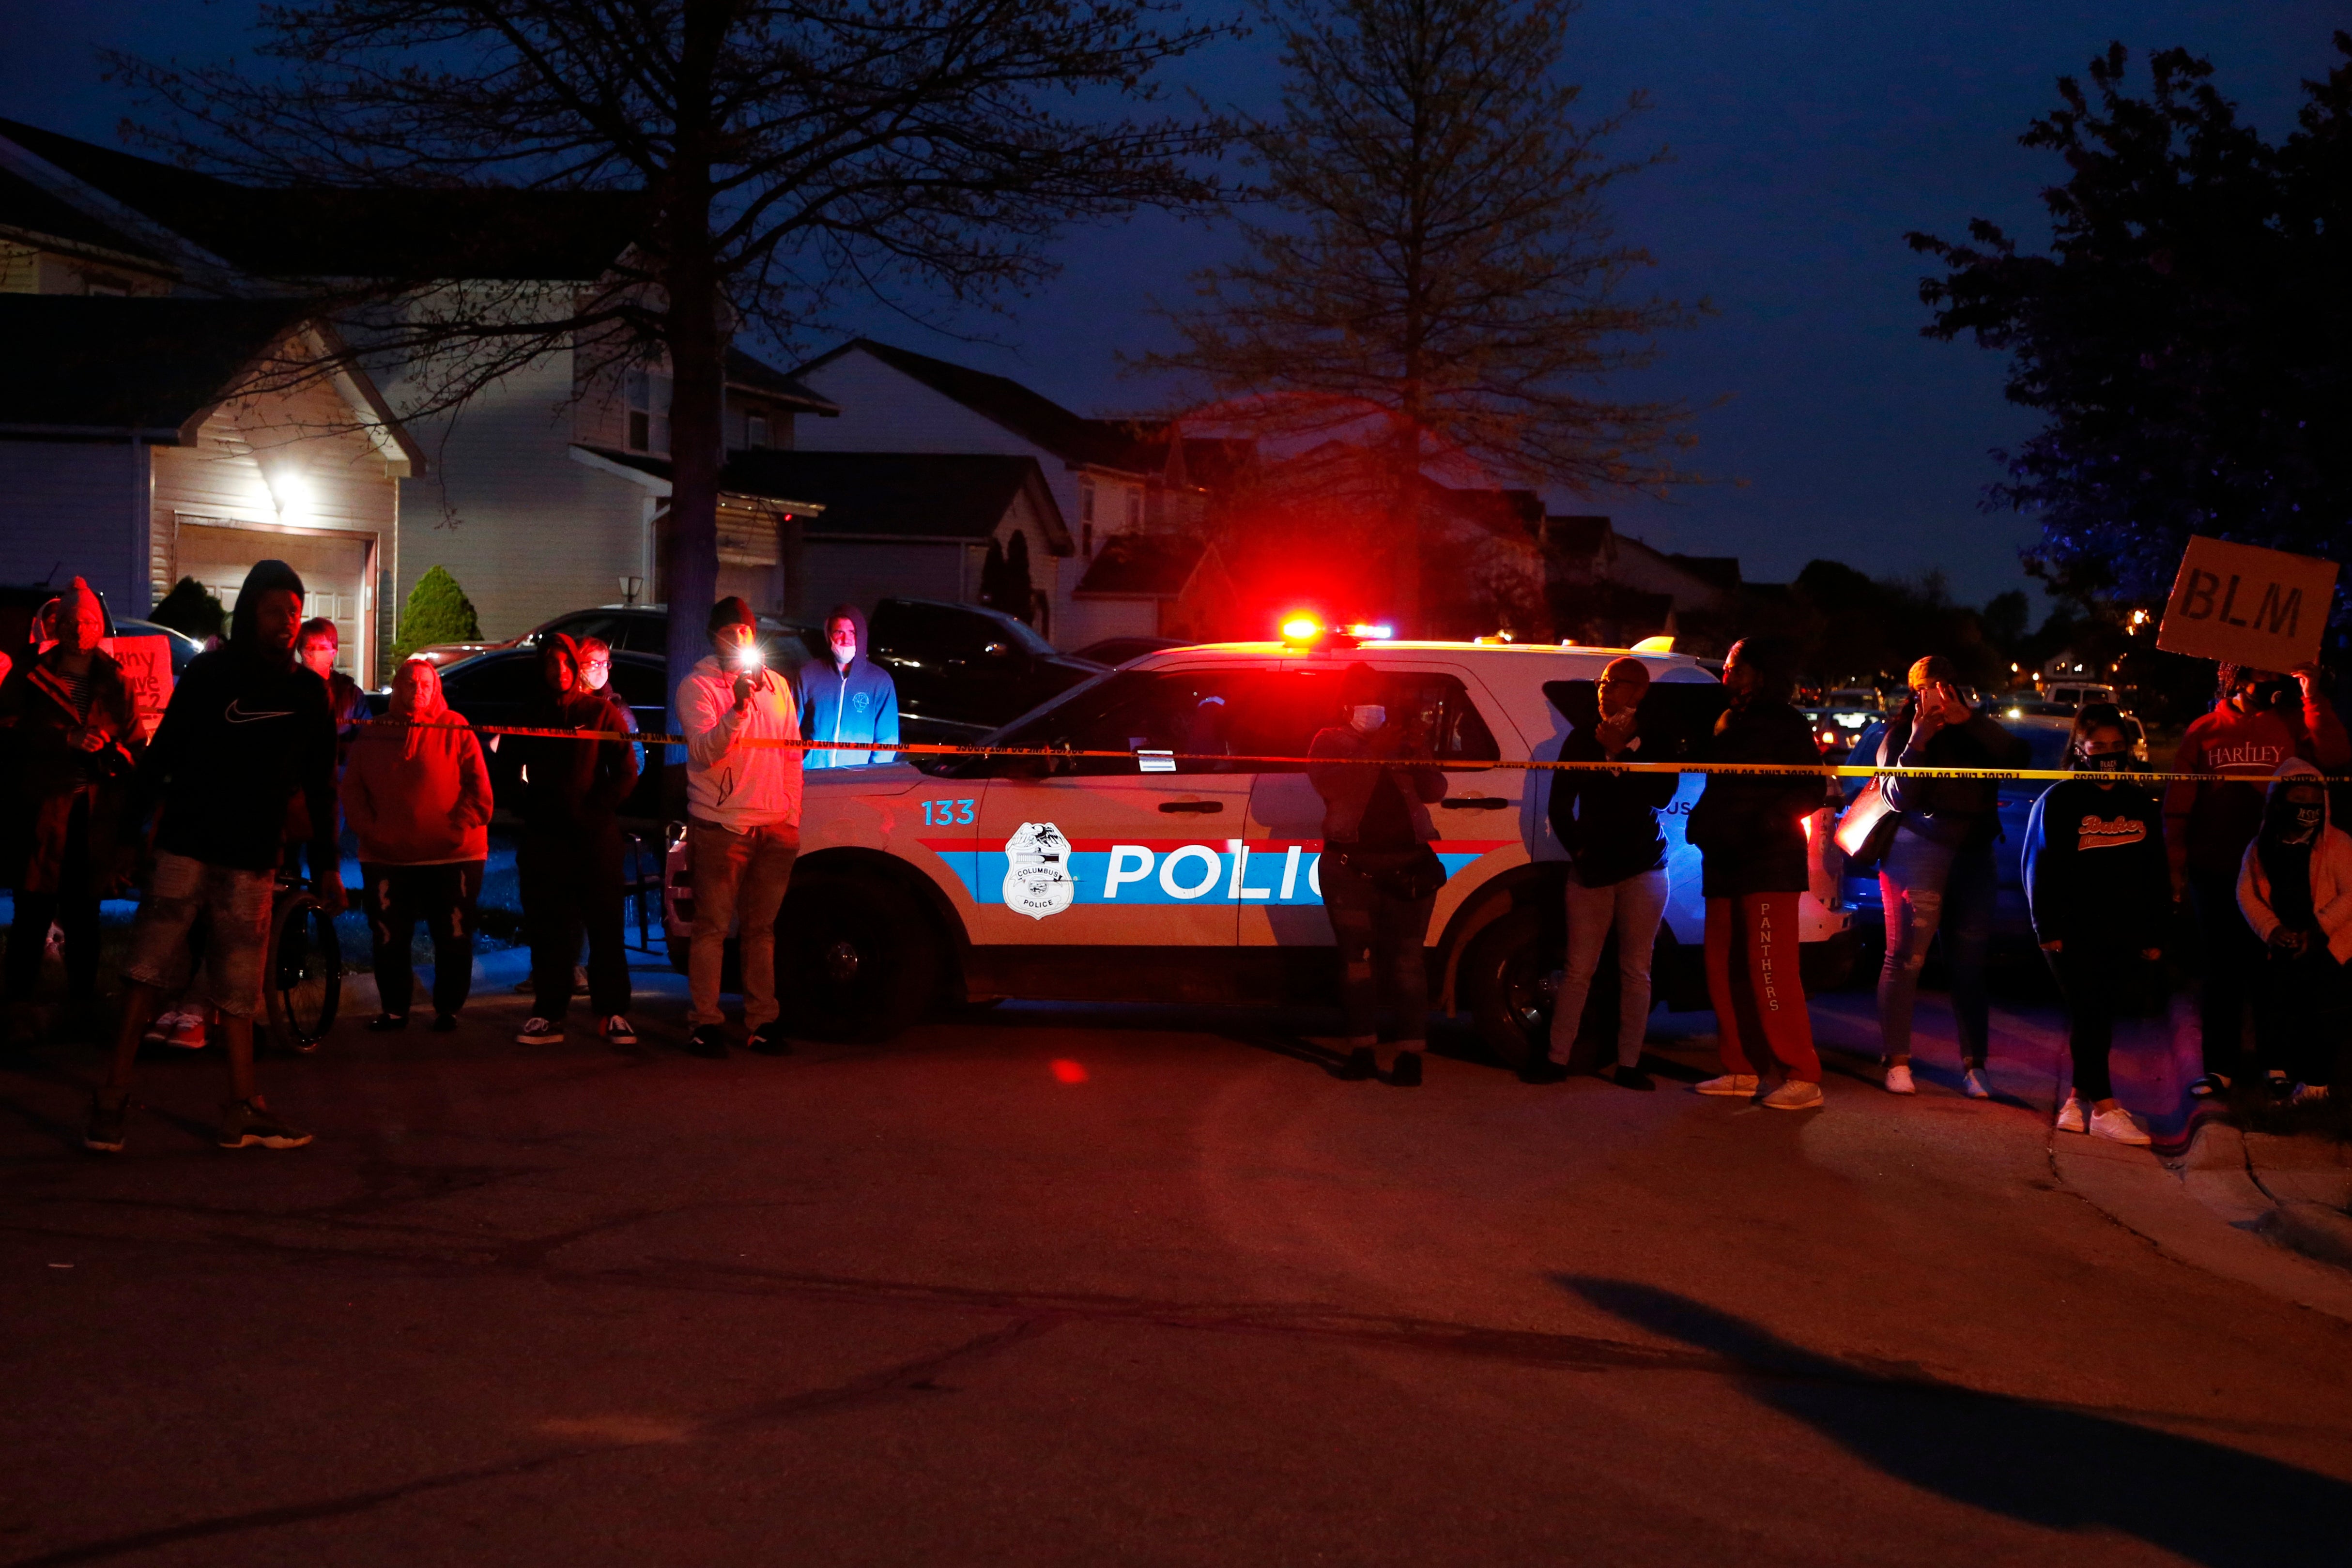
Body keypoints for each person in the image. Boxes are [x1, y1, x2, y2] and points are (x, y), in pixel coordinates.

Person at [87, 559, 341, 1154]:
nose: (286, 621)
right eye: (276, 609)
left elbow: (322, 783)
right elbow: (162, 755)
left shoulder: (308, 693)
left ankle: (242, 1107)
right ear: (251, 609)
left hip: (253, 855)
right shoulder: (210, 674)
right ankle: (112, 1097)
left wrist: (328, 861)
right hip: (187, 844)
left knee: (238, 987)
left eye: (295, 612)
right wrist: (132, 834)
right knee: (147, 969)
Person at [2167, 663, 2351, 1098]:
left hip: (2277, 869)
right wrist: (2175, 860)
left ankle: (2276, 1063)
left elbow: (2336, 754)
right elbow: (2178, 801)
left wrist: (2312, 695)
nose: (2271, 683)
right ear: (2236, 678)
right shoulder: (2204, 729)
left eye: (2276, 675)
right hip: (2215, 870)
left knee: (2276, 973)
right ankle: (2220, 1068)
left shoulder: (2291, 722)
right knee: (2221, 972)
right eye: (2261, 675)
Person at [1873, 655, 2030, 1098]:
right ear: (1915, 693)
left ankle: (1974, 1065)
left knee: (1969, 963)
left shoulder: (1975, 731)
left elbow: (2018, 757)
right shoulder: (1901, 732)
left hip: (1974, 852)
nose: (1941, 695)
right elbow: (1898, 796)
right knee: (1905, 959)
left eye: (1949, 686)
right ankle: (1897, 1059)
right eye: (1931, 687)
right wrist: (1918, 741)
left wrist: (1973, 722)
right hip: (1917, 850)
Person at [1684, 636, 1826, 1110]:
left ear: (1760, 673)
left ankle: (1802, 1075)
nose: (1728, 676)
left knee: (1772, 969)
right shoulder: (1725, 720)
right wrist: (1703, 824)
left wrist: (1767, 823)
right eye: (1725, 668)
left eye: (1736, 668)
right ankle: (1741, 1069)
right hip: (1723, 859)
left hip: (1769, 859)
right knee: (1723, 967)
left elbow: (1811, 786)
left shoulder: (1787, 723)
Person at [0, 578, 140, 1044]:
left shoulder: (116, 681)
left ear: (101, 627)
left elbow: (136, 744)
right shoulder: (31, 675)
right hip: (42, 814)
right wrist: (64, 740)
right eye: (73, 621)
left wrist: (117, 754)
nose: (81, 630)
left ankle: (82, 1006)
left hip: (92, 813)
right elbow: (6, 733)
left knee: (84, 915)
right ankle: (17, 1005)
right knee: (32, 911)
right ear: (57, 625)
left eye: (90, 622)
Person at [2023, 705, 2167, 1144]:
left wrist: (2155, 931)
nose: (2108, 754)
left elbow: (2154, 870)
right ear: (2080, 750)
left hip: (2121, 928)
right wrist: (2046, 927)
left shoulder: (2138, 802)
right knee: (2087, 1010)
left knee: (2099, 1015)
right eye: (2098, 747)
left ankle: (2074, 1101)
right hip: (2071, 929)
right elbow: (2037, 868)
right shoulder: (2059, 801)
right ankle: (2105, 1107)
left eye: (2116, 747)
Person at [1308, 662, 1447, 1087]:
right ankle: (1362, 1050)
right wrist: (1377, 749)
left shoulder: (1401, 740)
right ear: (1347, 702)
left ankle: (1410, 1055)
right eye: (1364, 697)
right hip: (1350, 868)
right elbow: (1334, 787)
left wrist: (1417, 751)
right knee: (1357, 963)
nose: (1374, 706)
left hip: (1408, 865)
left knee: (1408, 962)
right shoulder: (1330, 740)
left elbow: (1434, 791)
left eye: (1380, 698)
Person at [1542, 656, 1678, 1089]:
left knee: (1636, 970)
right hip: (1593, 868)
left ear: (1638, 692)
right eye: (1602, 682)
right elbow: (1559, 805)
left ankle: (1628, 1063)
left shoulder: (1656, 739)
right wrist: (1580, 852)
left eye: (1615, 683)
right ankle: (1555, 1058)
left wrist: (1621, 754)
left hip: (1644, 866)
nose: (1603, 689)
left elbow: (1661, 794)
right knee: (1578, 968)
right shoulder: (1581, 739)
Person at [679, 596, 804, 1058]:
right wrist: (736, 709)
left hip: (773, 827)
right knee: (711, 927)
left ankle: (762, 1021)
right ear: (715, 637)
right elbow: (705, 752)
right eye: (730, 632)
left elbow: (793, 754)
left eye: (746, 632)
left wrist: (790, 814)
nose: (739, 639)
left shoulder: (778, 686)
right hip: (721, 826)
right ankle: (705, 1022)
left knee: (761, 929)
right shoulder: (698, 686)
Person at [342, 658, 493, 1033]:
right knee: (389, 936)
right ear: (397, 687)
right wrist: (370, 830)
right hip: (387, 856)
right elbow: (352, 789)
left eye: (425, 684)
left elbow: (480, 791)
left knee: (453, 935)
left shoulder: (456, 728)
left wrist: (457, 827)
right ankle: (394, 1009)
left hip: (454, 855)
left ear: (436, 689)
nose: (417, 691)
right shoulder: (375, 732)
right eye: (409, 683)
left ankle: (448, 1009)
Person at [510, 633, 639, 1047]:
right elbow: (507, 766)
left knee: (605, 928)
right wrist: (527, 807)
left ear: (576, 667)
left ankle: (613, 1011)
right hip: (545, 841)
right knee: (548, 929)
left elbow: (626, 770)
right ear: (542, 668)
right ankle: (549, 1013)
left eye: (566, 663)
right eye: (552, 664)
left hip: (595, 841)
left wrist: (594, 811)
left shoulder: (601, 713)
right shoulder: (529, 712)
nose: (560, 671)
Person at [2237, 759, 2352, 1109]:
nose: (2307, 807)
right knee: (2276, 1003)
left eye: (2314, 800)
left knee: (2320, 1010)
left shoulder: (2337, 845)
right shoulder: (2261, 846)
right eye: (2298, 797)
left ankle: (2316, 1082)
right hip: (2279, 940)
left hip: (2327, 943)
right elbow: (2245, 893)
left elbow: (2351, 893)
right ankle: (2277, 1069)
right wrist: (2271, 929)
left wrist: (2317, 929)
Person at [797, 604, 899, 768]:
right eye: (839, 632)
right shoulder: (809, 675)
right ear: (829, 634)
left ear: (862, 635)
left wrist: (869, 776)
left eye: (852, 633)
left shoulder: (880, 682)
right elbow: (791, 728)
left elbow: (887, 740)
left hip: (855, 780)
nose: (846, 640)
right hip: (812, 776)